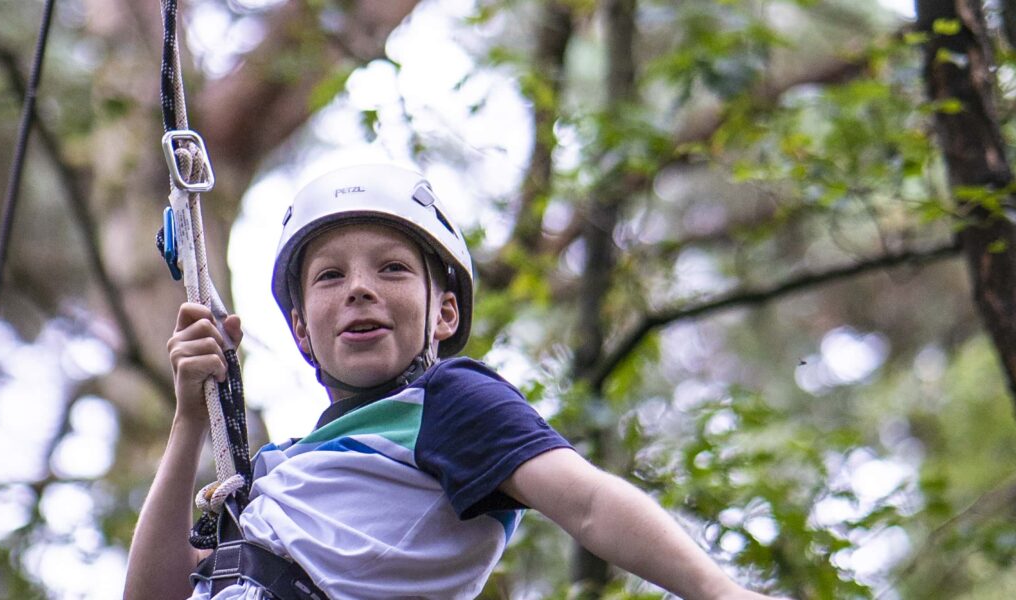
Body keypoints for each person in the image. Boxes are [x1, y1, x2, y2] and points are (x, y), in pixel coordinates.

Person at [124, 164, 777, 599]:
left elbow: (589, 505)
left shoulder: (446, 402)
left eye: (393, 269)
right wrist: (188, 422)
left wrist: (722, 594)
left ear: (445, 311)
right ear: (301, 329)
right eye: (330, 276)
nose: (358, 290)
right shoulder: (279, 471)